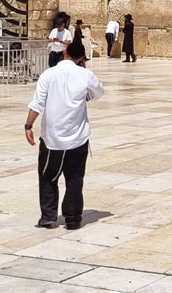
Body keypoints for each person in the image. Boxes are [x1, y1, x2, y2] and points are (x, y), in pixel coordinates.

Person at [23, 35, 104, 230]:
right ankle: (73, 219)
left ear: (65, 53)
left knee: (48, 176)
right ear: (82, 58)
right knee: (75, 179)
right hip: (78, 138)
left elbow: (38, 103)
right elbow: (98, 92)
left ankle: (48, 217)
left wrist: (28, 125)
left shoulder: (48, 75)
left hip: (52, 139)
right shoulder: (86, 75)